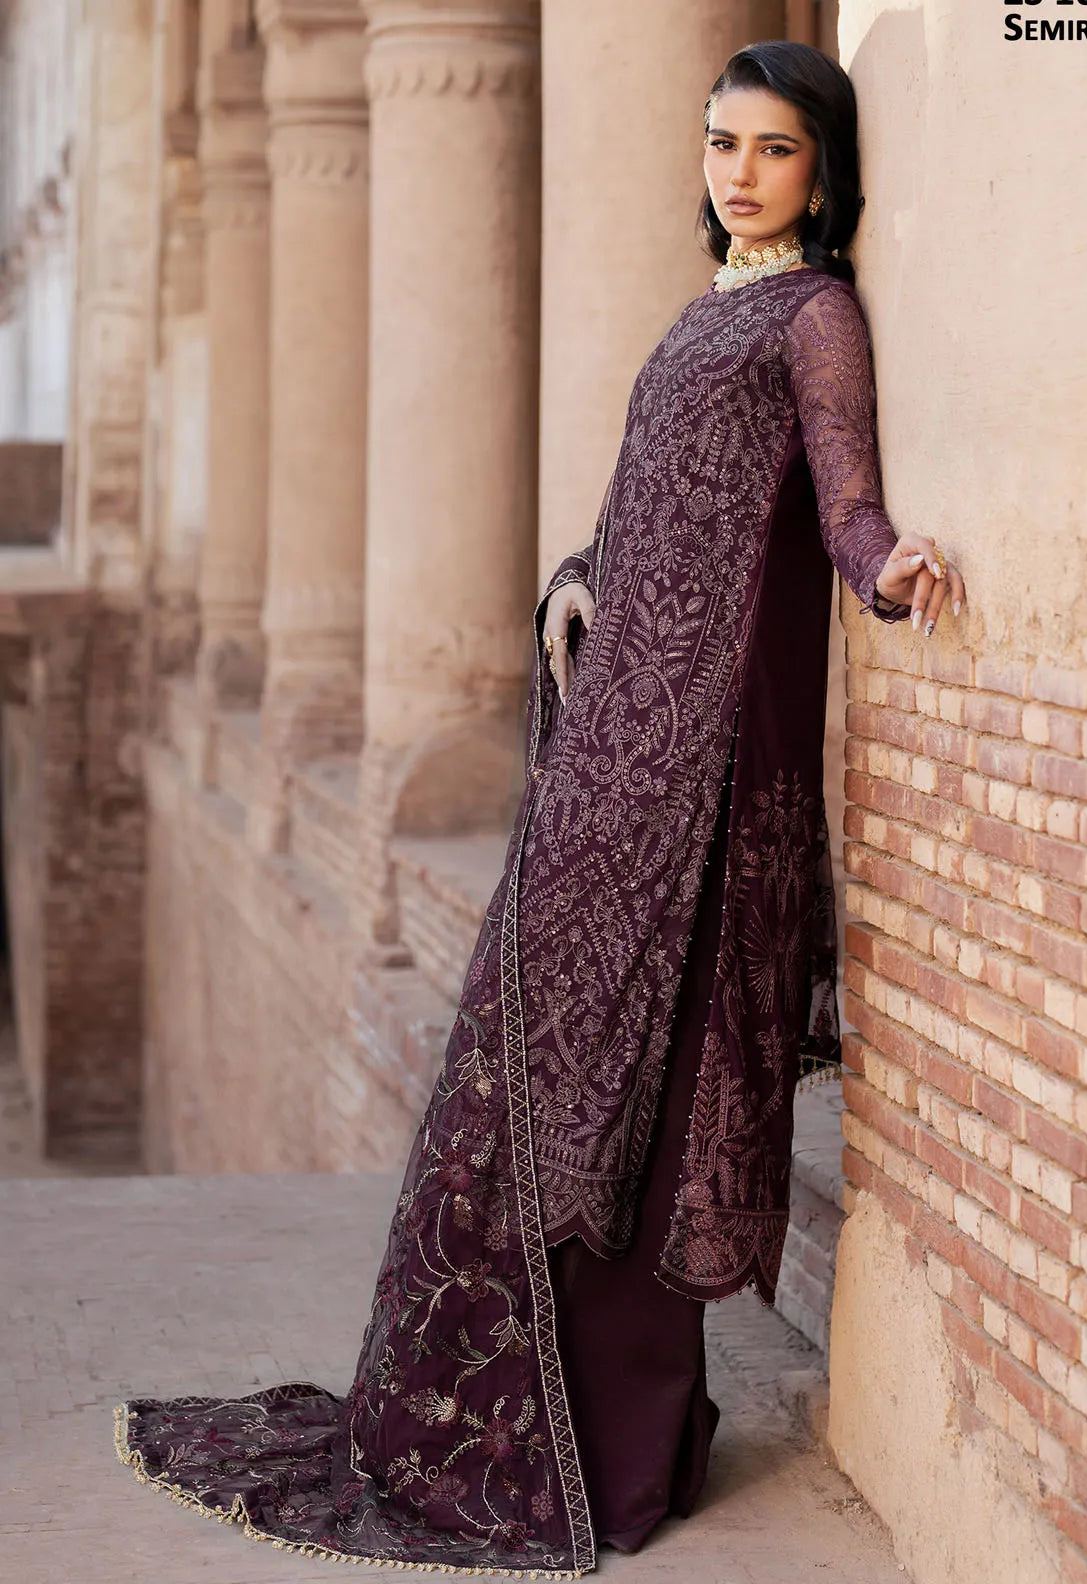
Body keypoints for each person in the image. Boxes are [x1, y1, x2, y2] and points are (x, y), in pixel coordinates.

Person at [113, 38, 965, 1581]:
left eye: (774, 149)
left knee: (646, 1081)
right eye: (721, 141)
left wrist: (887, 570)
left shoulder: (812, 316)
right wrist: (578, 578)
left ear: (822, 170)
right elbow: (649, 507)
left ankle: (616, 1454)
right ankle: (497, 1417)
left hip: (703, 768)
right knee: (531, 1066)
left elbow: (843, 498)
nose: (739, 173)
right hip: (612, 746)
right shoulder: (706, 308)